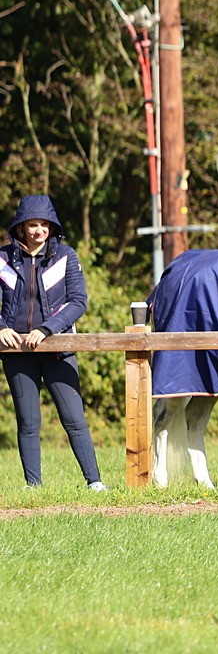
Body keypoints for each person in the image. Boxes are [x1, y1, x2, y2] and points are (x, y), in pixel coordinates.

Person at [0, 195, 105, 490]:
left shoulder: (66, 256)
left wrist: (46, 329)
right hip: (16, 352)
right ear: (21, 227)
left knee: (73, 418)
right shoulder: (2, 258)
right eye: (33, 225)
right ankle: (33, 486)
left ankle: (94, 483)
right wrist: (0, 329)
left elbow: (78, 302)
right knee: (28, 421)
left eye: (44, 225)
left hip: (58, 347)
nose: (39, 231)